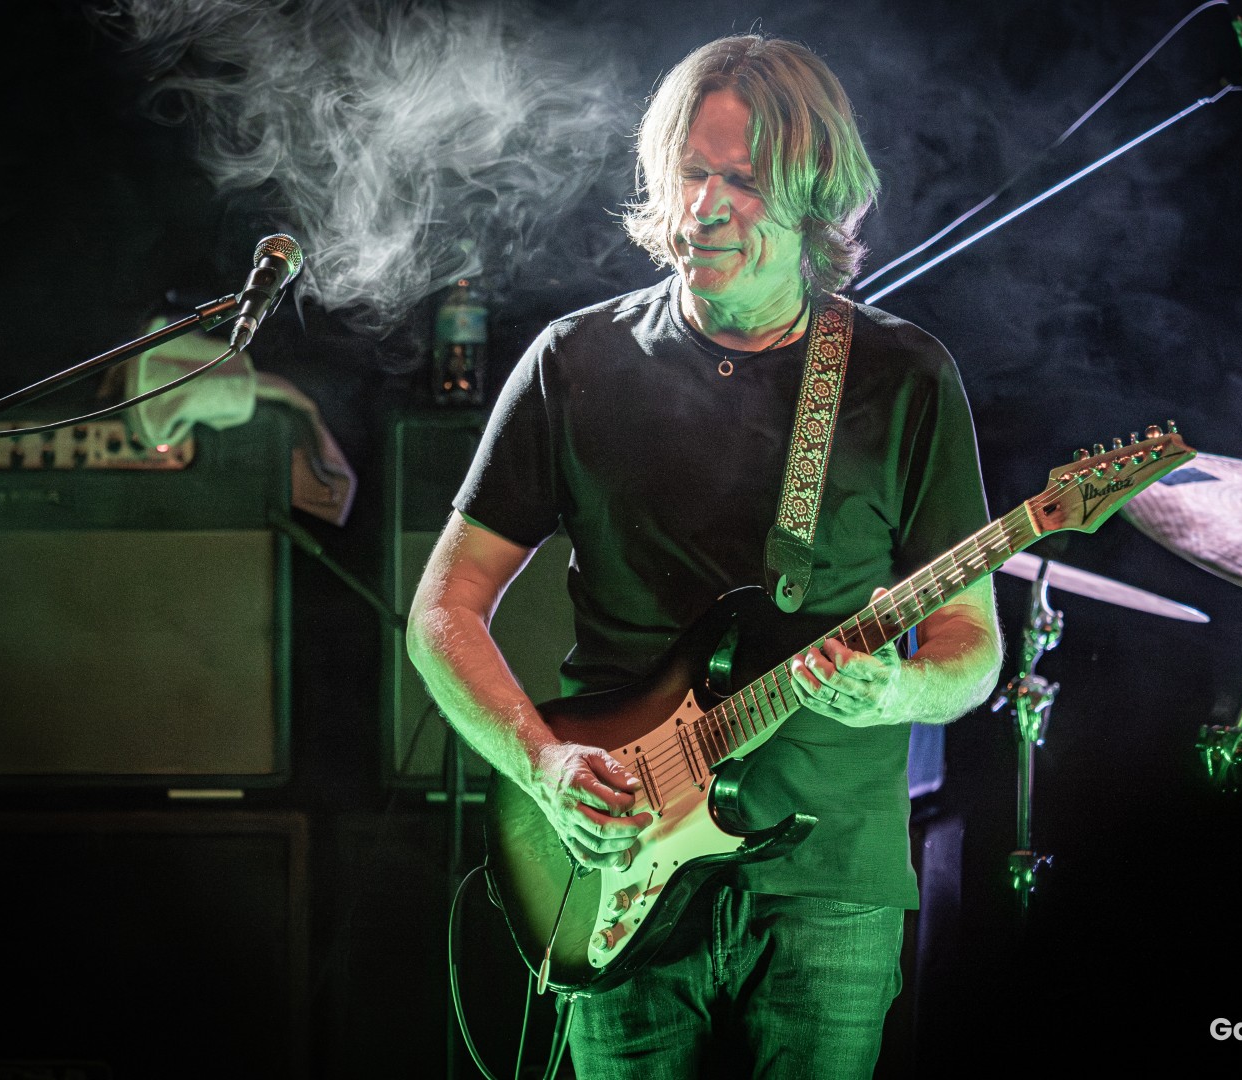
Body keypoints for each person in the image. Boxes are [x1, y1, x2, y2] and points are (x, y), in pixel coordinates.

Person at [408, 33, 1002, 1079]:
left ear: (818, 201)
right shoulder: (577, 361)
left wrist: (898, 692)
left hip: (827, 876)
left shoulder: (902, 376)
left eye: (746, 182)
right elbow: (442, 610)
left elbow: (973, 646)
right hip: (615, 862)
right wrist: (541, 765)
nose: (704, 209)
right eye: (690, 172)